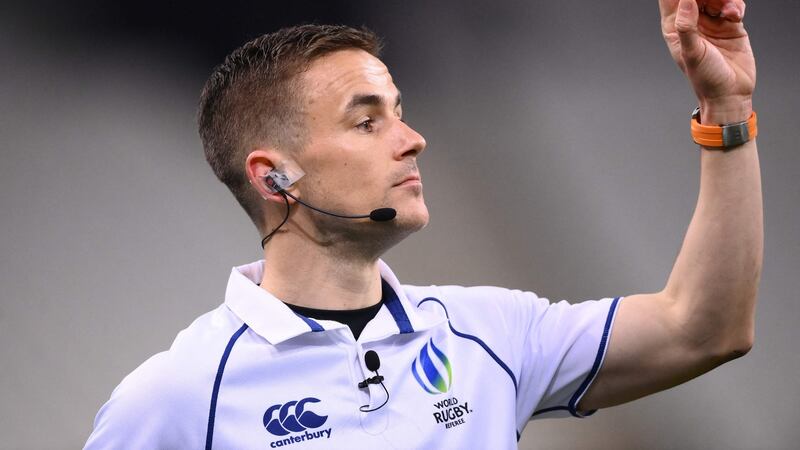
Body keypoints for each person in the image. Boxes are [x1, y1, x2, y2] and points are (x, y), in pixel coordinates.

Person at [84, 0, 762, 448]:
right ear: (274, 177)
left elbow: (704, 329)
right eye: (367, 120)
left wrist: (726, 108)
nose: (412, 139)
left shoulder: (490, 333)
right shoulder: (176, 397)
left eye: (400, 110)